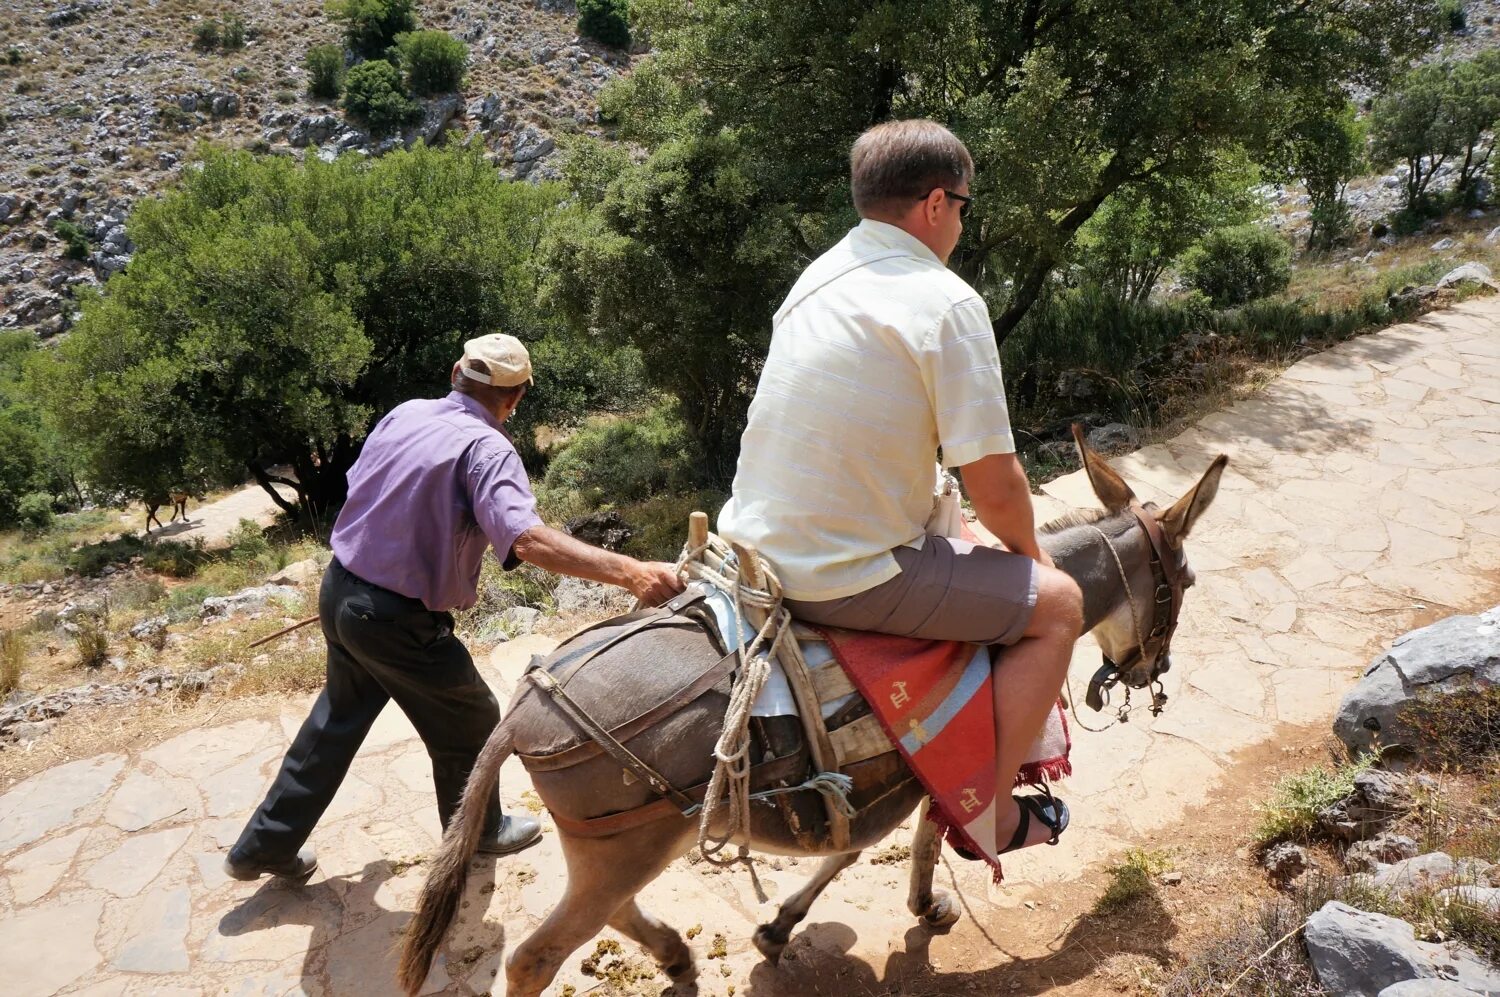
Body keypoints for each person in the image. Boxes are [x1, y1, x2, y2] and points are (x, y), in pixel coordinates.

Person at [717, 120, 1085, 857]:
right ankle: (988, 813)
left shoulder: (814, 278)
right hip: (841, 571)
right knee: (1060, 607)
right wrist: (1032, 555)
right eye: (966, 210)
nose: (962, 226)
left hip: (748, 544)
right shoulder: (946, 301)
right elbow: (995, 481)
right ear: (938, 204)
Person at [225, 334, 684, 881]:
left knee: (336, 719)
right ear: (516, 398)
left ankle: (263, 845)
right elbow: (527, 540)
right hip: (394, 620)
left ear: (455, 373)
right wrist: (632, 572)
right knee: (472, 721)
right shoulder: (488, 449)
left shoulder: (406, 414)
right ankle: (479, 832)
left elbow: (363, 488)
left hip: (341, 590)